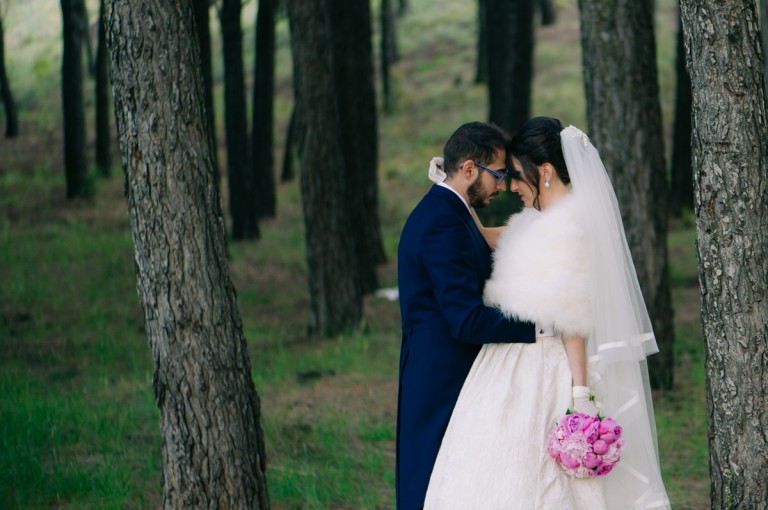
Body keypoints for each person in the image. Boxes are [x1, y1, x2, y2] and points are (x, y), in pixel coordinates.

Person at [424, 117, 671, 509]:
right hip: (507, 362)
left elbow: (573, 317)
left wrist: (579, 393)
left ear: (545, 171)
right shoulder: (535, 219)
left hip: (548, 367)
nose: (512, 187)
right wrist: (449, 188)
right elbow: (485, 237)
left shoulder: (572, 224)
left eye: (518, 177)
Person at [396, 121, 538, 510]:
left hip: (445, 366)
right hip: (440, 374)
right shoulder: (442, 221)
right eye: (498, 174)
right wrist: (538, 328)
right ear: (469, 169)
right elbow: (466, 320)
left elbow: (481, 240)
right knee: (429, 481)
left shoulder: (451, 208)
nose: (502, 186)